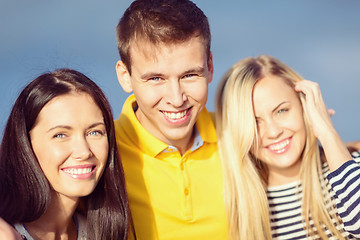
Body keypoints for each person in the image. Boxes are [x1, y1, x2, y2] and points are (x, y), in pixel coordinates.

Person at [114, 0, 227, 239]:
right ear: (125, 76)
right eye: (156, 78)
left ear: (209, 66)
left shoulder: (239, 133)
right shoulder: (103, 152)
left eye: (189, 75)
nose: (176, 99)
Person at [216, 55, 360, 239]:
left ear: (304, 106)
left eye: (281, 111)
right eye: (254, 122)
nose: (273, 132)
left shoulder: (352, 168)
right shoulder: (239, 209)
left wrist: (327, 133)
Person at [0, 69, 130, 240]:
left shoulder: (101, 232)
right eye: (60, 135)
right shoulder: (6, 232)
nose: (83, 152)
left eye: (94, 132)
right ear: (25, 144)